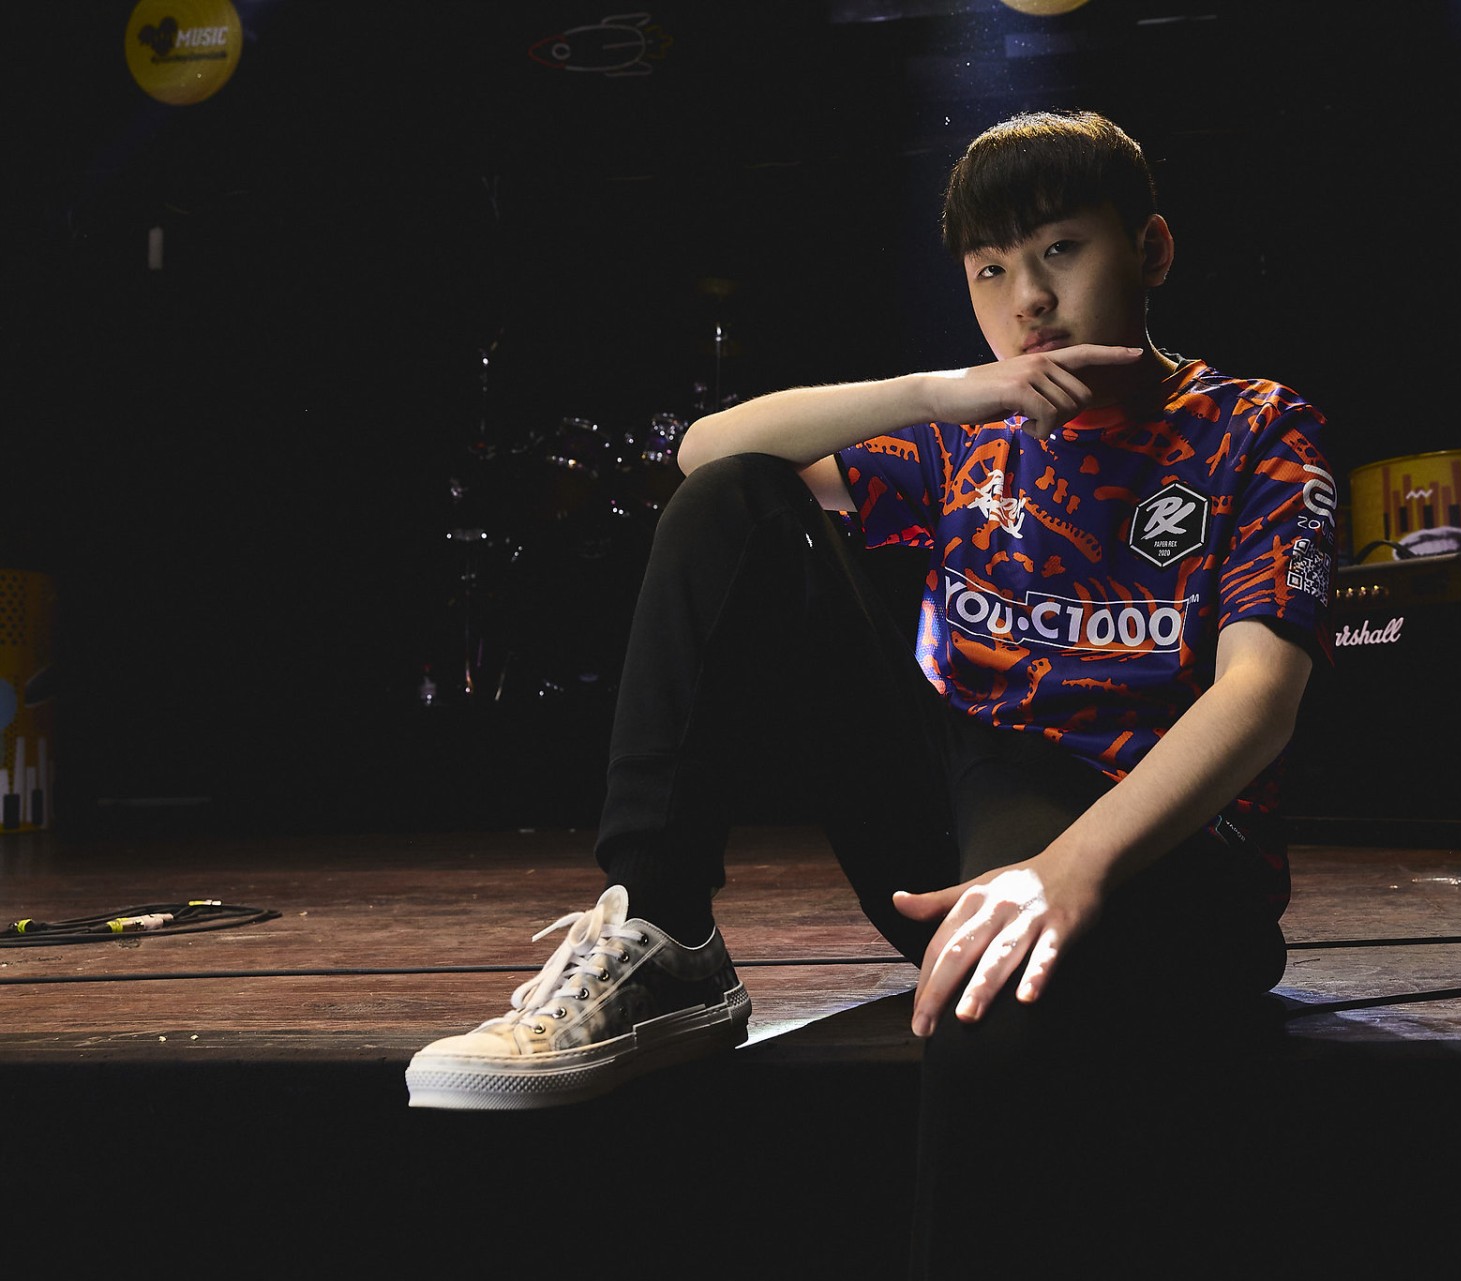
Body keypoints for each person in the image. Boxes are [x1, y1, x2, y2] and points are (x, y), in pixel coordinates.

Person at [408, 109, 1336, 1274]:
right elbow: (708, 452)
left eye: (1060, 249)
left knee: (998, 1028)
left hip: (1154, 858)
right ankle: (664, 925)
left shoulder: (1257, 429)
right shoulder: (970, 438)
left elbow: (1260, 697)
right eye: (990, 269)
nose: (1028, 299)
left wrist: (1068, 867)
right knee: (734, 500)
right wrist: (947, 391)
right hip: (969, 812)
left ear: (1148, 250)